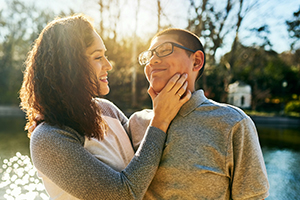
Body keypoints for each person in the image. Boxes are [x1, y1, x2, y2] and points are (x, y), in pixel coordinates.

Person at [19, 15, 191, 200]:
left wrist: (167, 104)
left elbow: (146, 156)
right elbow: (122, 194)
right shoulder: (48, 138)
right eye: (98, 57)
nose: (108, 65)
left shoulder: (107, 110)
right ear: (69, 66)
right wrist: (160, 119)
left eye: (105, 55)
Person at [127, 28, 270, 199]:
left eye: (164, 50)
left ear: (196, 61)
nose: (153, 60)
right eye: (149, 55)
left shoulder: (233, 123)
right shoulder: (135, 122)